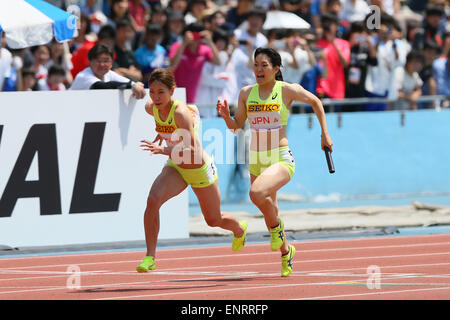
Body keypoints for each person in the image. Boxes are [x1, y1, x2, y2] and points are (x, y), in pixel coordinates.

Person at [216, 48, 333, 277]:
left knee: (256, 193)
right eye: (256, 65)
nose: (258, 70)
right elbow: (236, 125)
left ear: (276, 69)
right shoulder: (246, 93)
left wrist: (324, 135)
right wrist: (225, 117)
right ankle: (286, 252)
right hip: (256, 159)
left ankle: (277, 230)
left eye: (264, 65)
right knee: (271, 210)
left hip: (280, 156)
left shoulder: (286, 90)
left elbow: (316, 102)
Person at [136, 68, 247, 272]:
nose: (156, 96)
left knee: (214, 220)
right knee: (152, 201)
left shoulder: (180, 113)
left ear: (172, 91)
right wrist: (166, 134)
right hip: (177, 167)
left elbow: (192, 150)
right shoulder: (151, 107)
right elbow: (163, 117)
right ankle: (149, 257)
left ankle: (239, 230)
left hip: (199, 168)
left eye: (161, 92)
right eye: (152, 91)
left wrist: (164, 148)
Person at [70, 43, 146, 99]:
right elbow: (102, 86)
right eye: (98, 61)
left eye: (106, 61)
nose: (102, 64)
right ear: (90, 62)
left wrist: (136, 85)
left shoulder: (110, 74)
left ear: (111, 63)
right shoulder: (83, 76)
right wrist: (132, 85)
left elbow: (127, 82)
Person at [169, 22, 222, 103]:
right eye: (193, 34)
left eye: (198, 35)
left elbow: (218, 62)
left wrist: (210, 42)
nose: (195, 38)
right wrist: (184, 43)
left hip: (192, 97)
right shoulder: (177, 46)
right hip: (174, 94)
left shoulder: (205, 49)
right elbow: (173, 64)